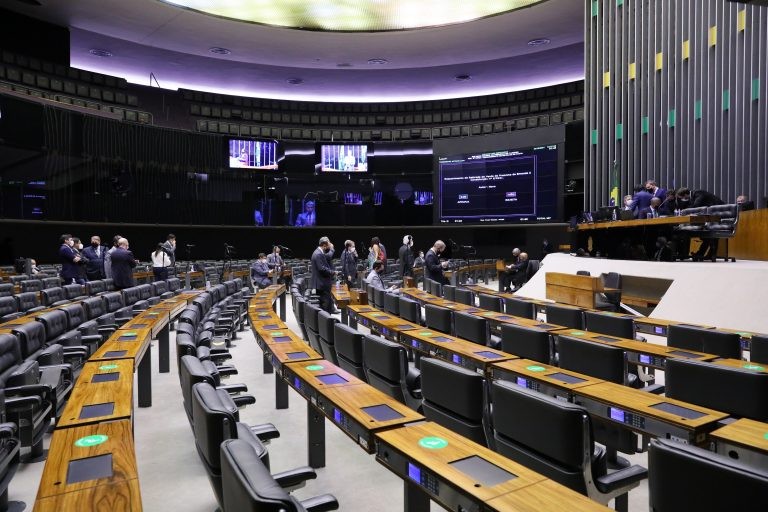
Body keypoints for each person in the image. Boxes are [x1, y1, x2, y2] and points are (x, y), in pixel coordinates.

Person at [311, 237, 336, 314]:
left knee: (326, 304)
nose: (330, 245)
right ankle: (326, 323)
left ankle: (327, 321)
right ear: (324, 245)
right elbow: (321, 269)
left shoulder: (319, 252)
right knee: (325, 305)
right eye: (328, 244)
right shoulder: (318, 254)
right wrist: (332, 272)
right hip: (322, 283)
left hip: (321, 282)